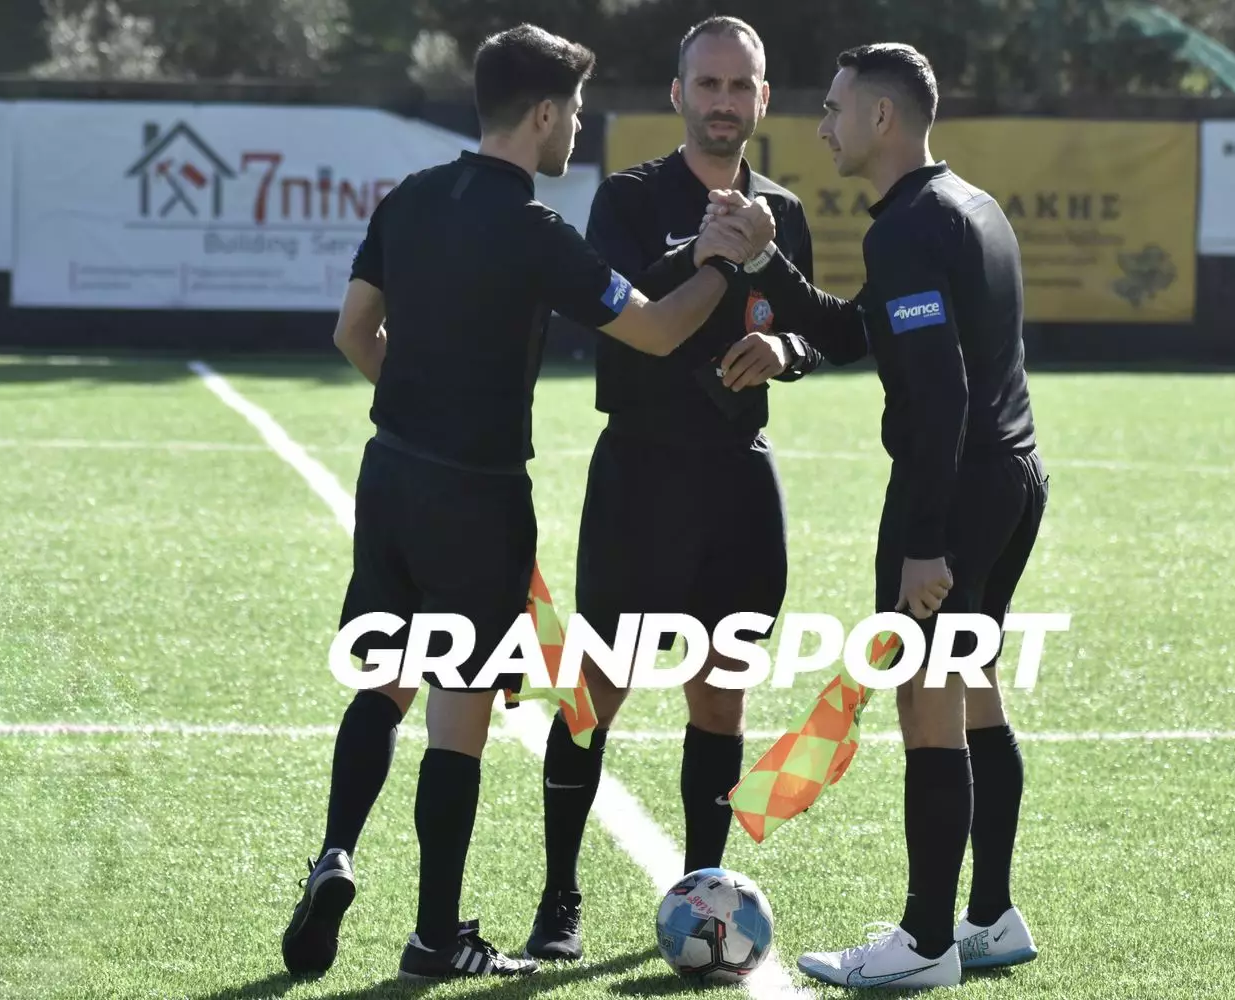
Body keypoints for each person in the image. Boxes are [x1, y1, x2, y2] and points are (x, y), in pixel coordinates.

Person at [279, 23, 775, 983]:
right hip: (482, 496)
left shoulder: (409, 197)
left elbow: (352, 332)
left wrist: (411, 408)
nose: (579, 128)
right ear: (544, 113)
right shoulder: (537, 230)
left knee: (383, 683)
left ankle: (335, 851)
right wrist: (720, 260)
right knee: (458, 713)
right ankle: (437, 936)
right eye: (575, 111)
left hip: (391, 474)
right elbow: (658, 332)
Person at [707, 42, 1046, 989]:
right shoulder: (967, 205)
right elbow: (858, 331)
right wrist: (768, 265)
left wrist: (925, 544)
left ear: (882, 117)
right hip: (1013, 477)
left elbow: (939, 395)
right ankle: (991, 917)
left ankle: (926, 942)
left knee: (926, 699)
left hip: (955, 492)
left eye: (834, 108)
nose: (822, 125)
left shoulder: (909, 227)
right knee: (973, 686)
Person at [522, 16, 818, 963]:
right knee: (593, 695)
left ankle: (704, 894)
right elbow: (609, 306)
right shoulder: (629, 196)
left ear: (763, 99)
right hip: (641, 474)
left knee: (721, 695)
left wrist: (786, 350)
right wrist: (706, 249)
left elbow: (813, 324)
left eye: (741, 86)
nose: (724, 102)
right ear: (679, 94)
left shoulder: (783, 211)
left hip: (737, 476)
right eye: (709, 84)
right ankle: (558, 898)